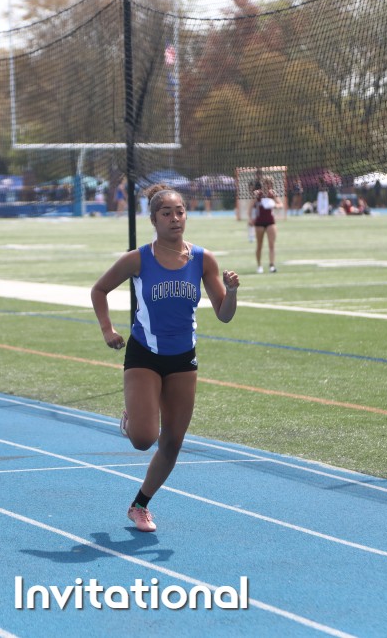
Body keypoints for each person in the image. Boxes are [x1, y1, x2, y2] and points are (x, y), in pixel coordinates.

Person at [90, 185, 239, 533]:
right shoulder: (138, 259)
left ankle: (140, 505)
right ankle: (134, 415)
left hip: (183, 359)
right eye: (167, 213)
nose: (175, 218)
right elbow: (99, 290)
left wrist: (231, 292)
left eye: (180, 211)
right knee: (144, 439)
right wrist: (107, 329)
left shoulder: (203, 259)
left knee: (172, 442)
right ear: (154, 220)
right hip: (144, 354)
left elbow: (224, 314)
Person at [251, 175, 282, 273]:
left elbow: (280, 205)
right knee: (259, 245)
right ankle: (259, 266)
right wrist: (250, 219)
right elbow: (250, 207)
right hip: (259, 222)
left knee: (271, 244)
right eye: (265, 183)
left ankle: (272, 265)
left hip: (270, 221)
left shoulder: (272, 193)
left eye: (269, 184)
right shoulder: (257, 194)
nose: (267, 186)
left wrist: (274, 204)